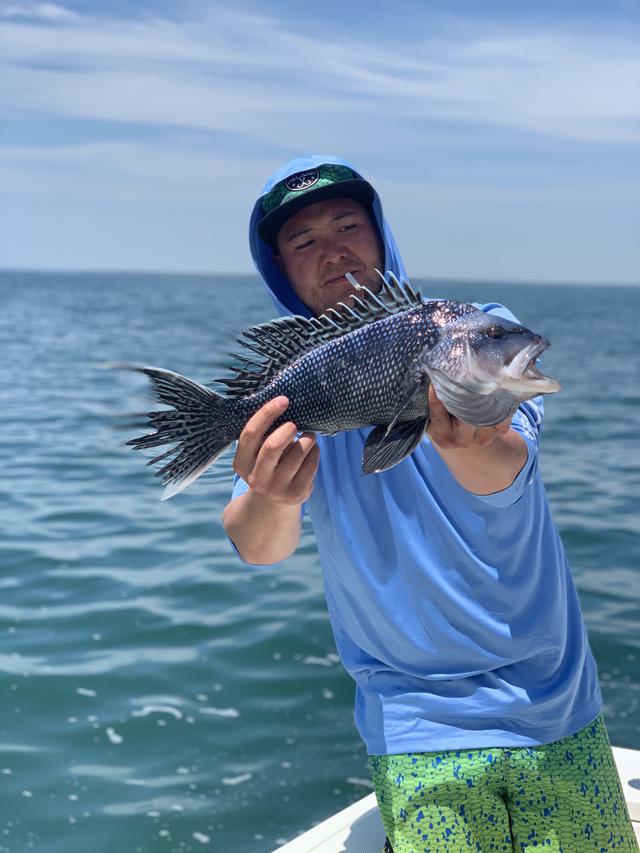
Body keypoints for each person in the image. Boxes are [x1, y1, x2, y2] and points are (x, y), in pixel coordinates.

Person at [223, 156, 638, 851]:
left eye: (348, 226)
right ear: (280, 270)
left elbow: (506, 467)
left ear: (380, 233)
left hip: (554, 697)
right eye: (304, 241)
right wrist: (271, 496)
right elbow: (258, 546)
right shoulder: (295, 386)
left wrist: (472, 435)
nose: (334, 251)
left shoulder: (472, 328)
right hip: (415, 722)